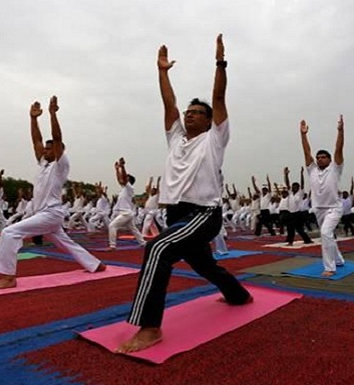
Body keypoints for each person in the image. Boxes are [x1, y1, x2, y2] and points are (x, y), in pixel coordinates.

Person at [117, 35, 252, 354]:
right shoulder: (176, 139)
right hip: (176, 214)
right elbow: (169, 105)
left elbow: (219, 98)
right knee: (204, 265)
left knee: (158, 248)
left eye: (196, 112)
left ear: (208, 121)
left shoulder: (214, 140)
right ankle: (238, 295)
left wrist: (220, 63)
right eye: (188, 112)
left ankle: (149, 327)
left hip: (204, 214)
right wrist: (162, 72)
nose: (189, 115)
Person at [0, 96, 105, 289]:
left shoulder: (61, 165)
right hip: (45, 214)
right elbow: (36, 140)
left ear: (58, 151)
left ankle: (8, 278)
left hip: (51, 213)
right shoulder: (43, 163)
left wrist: (52, 114)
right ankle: (95, 264)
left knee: (9, 232)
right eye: (45, 149)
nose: (45, 151)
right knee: (65, 242)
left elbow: (57, 139)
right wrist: (33, 119)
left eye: (49, 149)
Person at [300, 115, 345, 277]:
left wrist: (340, 131)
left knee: (325, 233)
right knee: (328, 235)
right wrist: (303, 135)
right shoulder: (312, 169)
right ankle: (338, 259)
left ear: (330, 159)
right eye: (318, 158)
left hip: (334, 208)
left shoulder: (335, 168)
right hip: (319, 209)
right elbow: (306, 152)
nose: (319, 159)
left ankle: (330, 267)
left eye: (323, 157)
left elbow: (339, 149)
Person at [107, 158, 145, 250]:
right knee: (133, 229)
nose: (124, 179)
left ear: (129, 181)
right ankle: (143, 243)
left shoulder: (130, 188)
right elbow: (120, 179)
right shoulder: (125, 188)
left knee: (112, 226)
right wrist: (117, 170)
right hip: (126, 212)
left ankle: (112, 246)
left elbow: (123, 178)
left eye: (127, 177)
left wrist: (122, 167)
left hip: (126, 213)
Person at [284, 166, 313, 245]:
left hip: (298, 213)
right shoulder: (290, 193)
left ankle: (307, 240)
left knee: (299, 229)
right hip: (290, 213)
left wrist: (301, 173)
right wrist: (286, 174)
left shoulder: (300, 193)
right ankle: (290, 242)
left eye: (295, 187)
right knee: (290, 228)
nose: (293, 188)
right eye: (293, 186)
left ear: (298, 188)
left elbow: (302, 183)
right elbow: (287, 183)